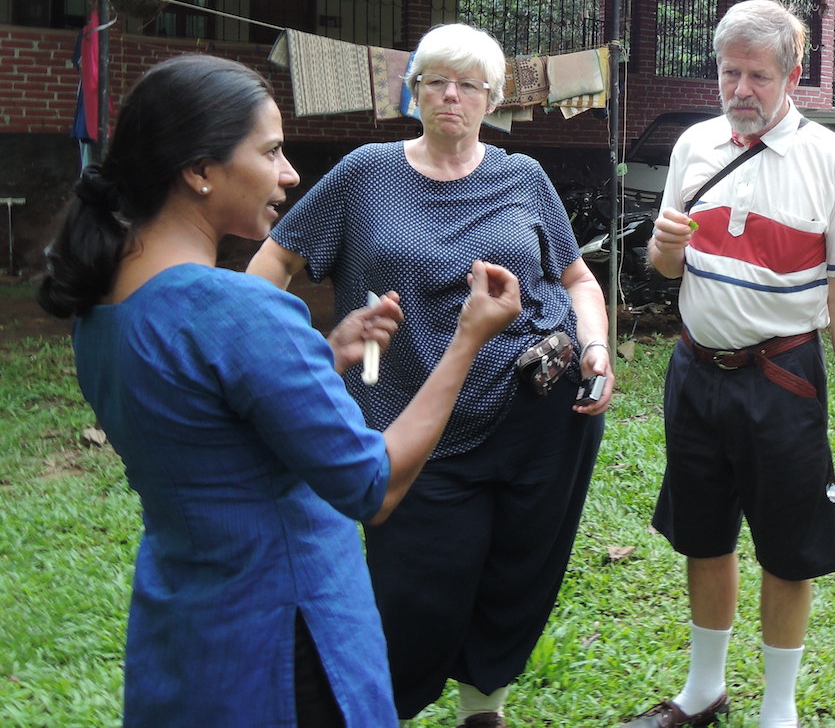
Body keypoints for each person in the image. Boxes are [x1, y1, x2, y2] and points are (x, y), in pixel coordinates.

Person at [37, 53, 521, 727]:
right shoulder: (239, 311)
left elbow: (209, 424)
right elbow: (372, 485)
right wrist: (468, 339)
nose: (290, 173)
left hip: (186, 633)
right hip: (288, 650)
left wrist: (320, 356)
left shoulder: (101, 307)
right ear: (200, 171)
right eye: (270, 151)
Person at [248, 22, 614, 728]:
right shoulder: (367, 172)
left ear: (492, 98)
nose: (451, 95)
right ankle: (373, 710)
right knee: (412, 592)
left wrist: (594, 345)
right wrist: (272, 353)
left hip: (539, 407)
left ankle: (484, 709)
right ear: (412, 91)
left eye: (468, 84)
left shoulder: (522, 175)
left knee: (518, 568)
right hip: (409, 419)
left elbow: (574, 276)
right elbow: (277, 260)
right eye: (435, 80)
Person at [624, 0, 835, 728]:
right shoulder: (694, 146)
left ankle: (778, 708)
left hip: (783, 376)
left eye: (758, 75)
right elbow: (665, 267)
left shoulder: (833, 162)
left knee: (788, 547)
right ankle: (703, 691)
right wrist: (664, 251)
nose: (740, 90)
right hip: (696, 370)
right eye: (730, 72)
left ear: (792, 74)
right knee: (703, 532)